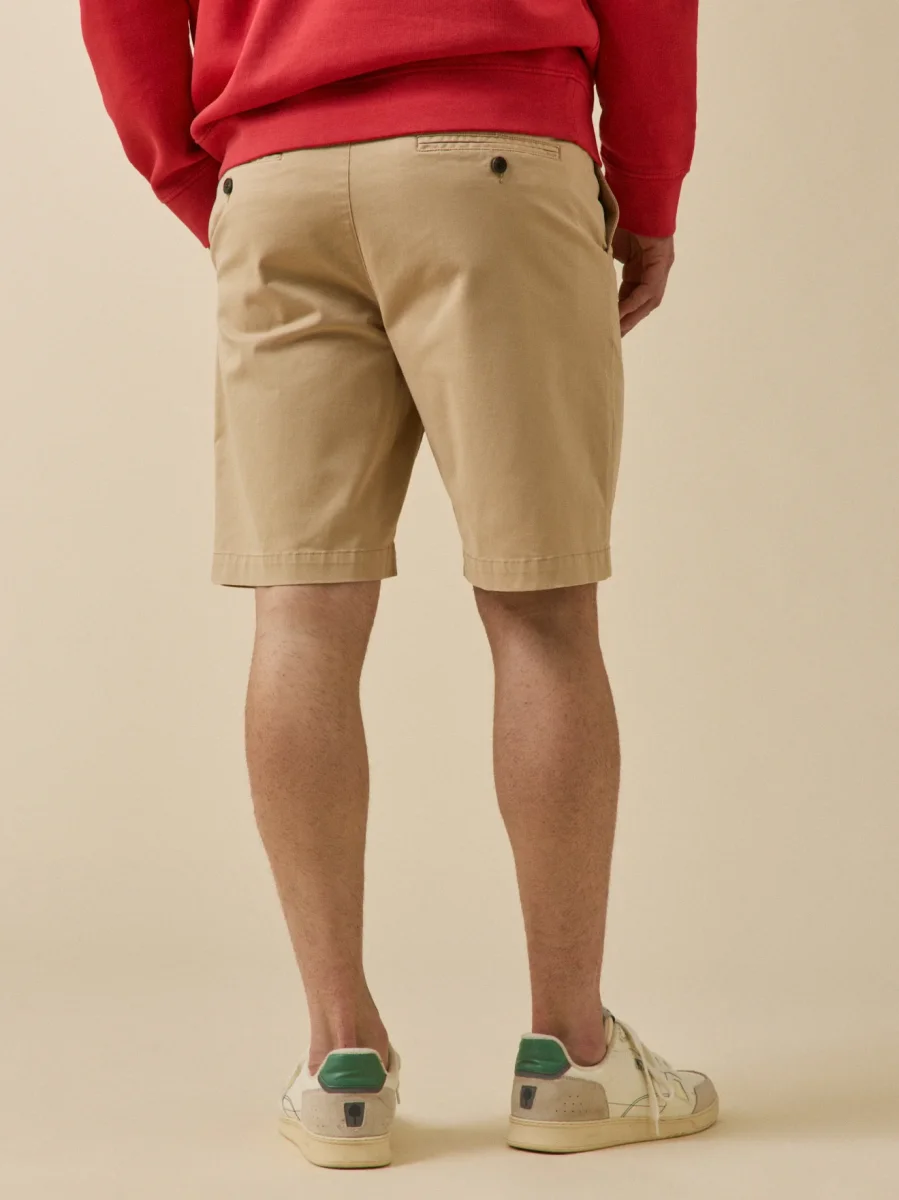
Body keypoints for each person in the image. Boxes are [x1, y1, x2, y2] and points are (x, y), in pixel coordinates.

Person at [80, 0, 716, 1171]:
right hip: (494, 155)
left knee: (301, 619)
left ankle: (341, 1065)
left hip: (274, 176)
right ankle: (570, 1061)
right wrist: (647, 194)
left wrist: (210, 181)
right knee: (541, 611)